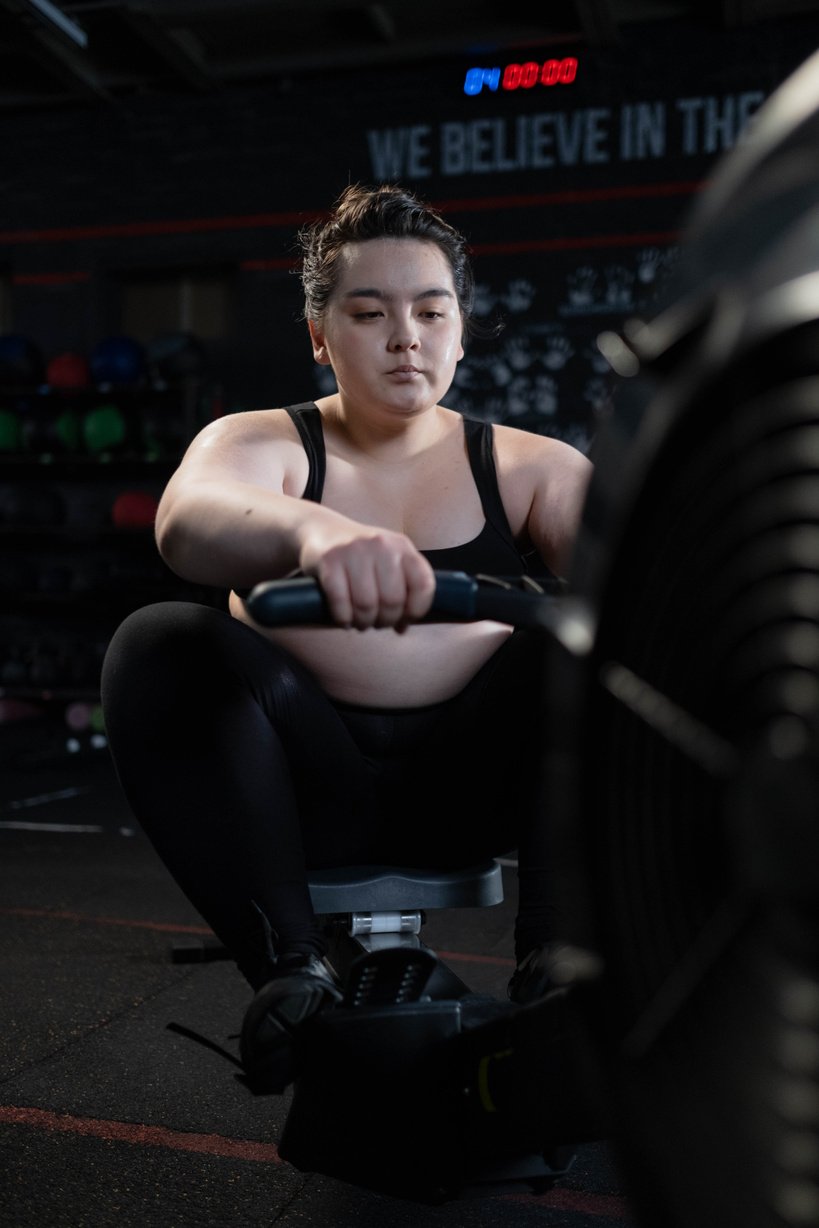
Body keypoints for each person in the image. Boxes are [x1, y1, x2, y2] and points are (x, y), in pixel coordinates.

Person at [101, 182, 593, 1093]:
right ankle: (292, 976)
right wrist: (316, 535)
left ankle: (559, 968)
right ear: (321, 336)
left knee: (595, 644)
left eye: (430, 311)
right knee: (160, 640)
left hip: (472, 786)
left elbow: (636, 564)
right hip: (298, 787)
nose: (405, 335)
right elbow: (188, 520)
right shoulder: (263, 444)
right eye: (369, 312)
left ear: (457, 327)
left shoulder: (533, 465)